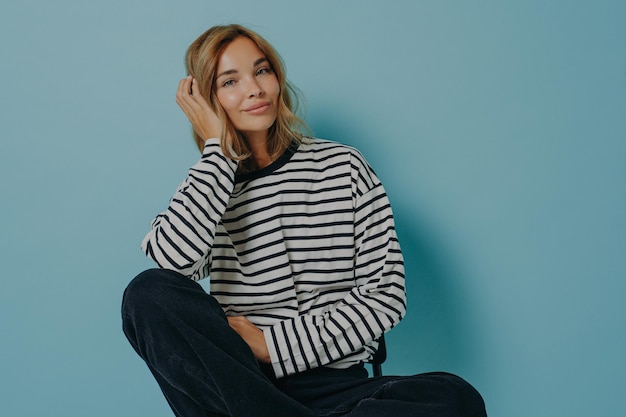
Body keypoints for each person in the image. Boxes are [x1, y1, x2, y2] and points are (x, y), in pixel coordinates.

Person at [121, 24, 487, 417]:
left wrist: (269, 344)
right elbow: (172, 264)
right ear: (207, 103)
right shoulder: (210, 184)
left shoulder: (343, 166)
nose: (255, 89)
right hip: (243, 387)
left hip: (340, 389)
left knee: (454, 397)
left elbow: (386, 296)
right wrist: (218, 155)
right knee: (145, 291)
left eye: (262, 71)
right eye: (230, 81)